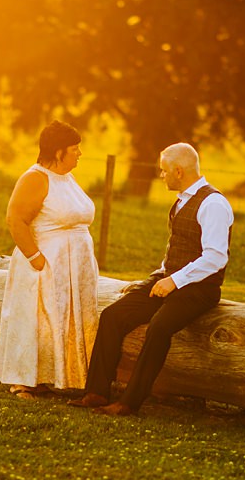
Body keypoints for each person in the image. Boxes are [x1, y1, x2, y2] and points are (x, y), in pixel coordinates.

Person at [68, 142, 233, 416]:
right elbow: (180, 246)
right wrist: (158, 277)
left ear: (179, 171)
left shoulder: (213, 204)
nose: (161, 176)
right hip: (170, 279)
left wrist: (174, 281)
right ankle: (96, 392)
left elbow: (216, 257)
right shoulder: (183, 198)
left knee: (158, 327)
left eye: (164, 171)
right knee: (113, 315)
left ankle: (128, 402)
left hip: (199, 290)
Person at [0, 120, 100, 399]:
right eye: (74, 149)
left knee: (63, 322)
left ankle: (59, 377)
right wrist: (36, 258)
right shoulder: (35, 178)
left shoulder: (67, 178)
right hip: (45, 265)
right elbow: (15, 219)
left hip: (73, 267)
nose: (79, 153)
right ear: (58, 152)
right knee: (37, 320)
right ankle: (23, 381)